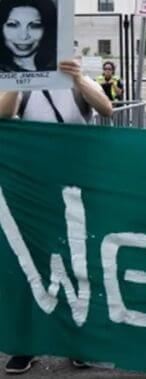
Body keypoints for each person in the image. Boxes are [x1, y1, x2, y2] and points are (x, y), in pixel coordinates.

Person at [0, 57, 112, 375]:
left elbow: (105, 108)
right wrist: (24, 78)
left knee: (78, 261)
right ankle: (26, 344)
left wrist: (78, 79)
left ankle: (78, 341)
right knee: (30, 263)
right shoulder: (22, 82)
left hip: (76, 186)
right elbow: (4, 112)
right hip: (33, 188)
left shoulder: (80, 81)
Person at [0, 0, 58, 73]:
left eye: (35, 26)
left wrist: (76, 79)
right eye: (12, 25)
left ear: (47, 29)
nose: (23, 36)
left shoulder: (58, 66)